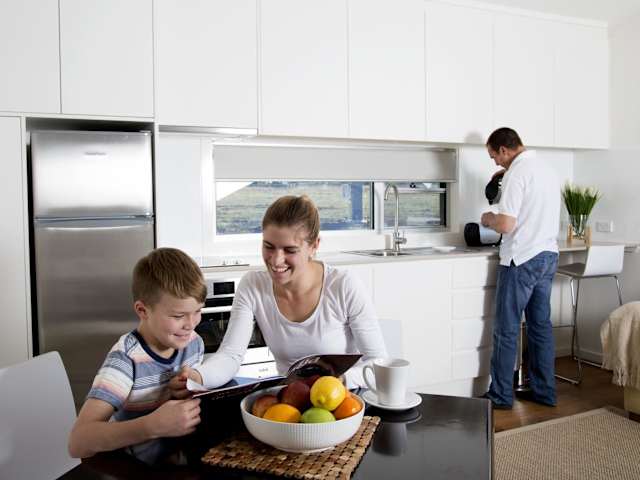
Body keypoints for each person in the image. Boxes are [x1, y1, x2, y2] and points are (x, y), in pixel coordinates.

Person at [173, 195, 387, 394]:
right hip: (289, 401)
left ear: (314, 246)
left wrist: (341, 380)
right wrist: (197, 377)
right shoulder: (252, 286)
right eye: (269, 246)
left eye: (290, 250)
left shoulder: (343, 285)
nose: (276, 261)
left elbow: (379, 363)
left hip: (343, 399)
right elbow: (230, 355)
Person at [68, 248, 206, 464]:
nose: (191, 324)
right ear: (143, 310)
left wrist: (193, 383)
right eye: (178, 315)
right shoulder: (125, 361)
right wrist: (151, 426)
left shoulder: (194, 343)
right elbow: (78, 442)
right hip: (134, 468)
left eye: (197, 311)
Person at [480, 127, 560, 410]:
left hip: (521, 259)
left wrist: (488, 218)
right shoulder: (547, 169)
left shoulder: (517, 173)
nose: (495, 162)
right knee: (540, 328)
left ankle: (501, 396)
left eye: (494, 156)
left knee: (506, 330)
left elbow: (506, 224)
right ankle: (544, 392)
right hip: (547, 256)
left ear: (504, 149)